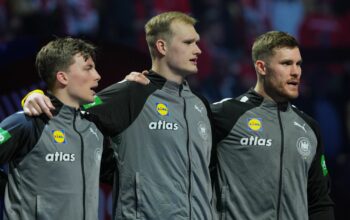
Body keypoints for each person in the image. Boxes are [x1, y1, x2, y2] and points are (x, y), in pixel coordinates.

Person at [23, 12, 215, 220]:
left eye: (196, 42)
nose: (198, 50)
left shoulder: (200, 105)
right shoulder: (132, 92)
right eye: (188, 42)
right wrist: (33, 98)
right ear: (162, 47)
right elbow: (67, 110)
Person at [210, 31, 334, 220]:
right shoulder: (225, 114)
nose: (296, 72)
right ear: (261, 67)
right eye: (286, 63)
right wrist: (149, 85)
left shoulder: (309, 127)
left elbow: (320, 203)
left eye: (298, 64)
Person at [0, 37, 104, 220]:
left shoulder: (93, 127)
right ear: (63, 77)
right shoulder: (26, 122)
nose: (97, 76)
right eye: (88, 68)